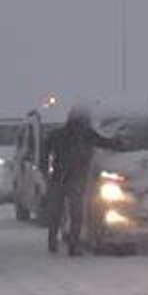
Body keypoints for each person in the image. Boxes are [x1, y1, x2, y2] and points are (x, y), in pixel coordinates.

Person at [41, 105, 123, 255]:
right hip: (76, 179)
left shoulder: (58, 134)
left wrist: (45, 170)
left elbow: (44, 151)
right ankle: (73, 246)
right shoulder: (86, 134)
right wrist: (120, 143)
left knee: (57, 213)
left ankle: (53, 242)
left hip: (58, 178)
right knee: (76, 214)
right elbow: (106, 142)